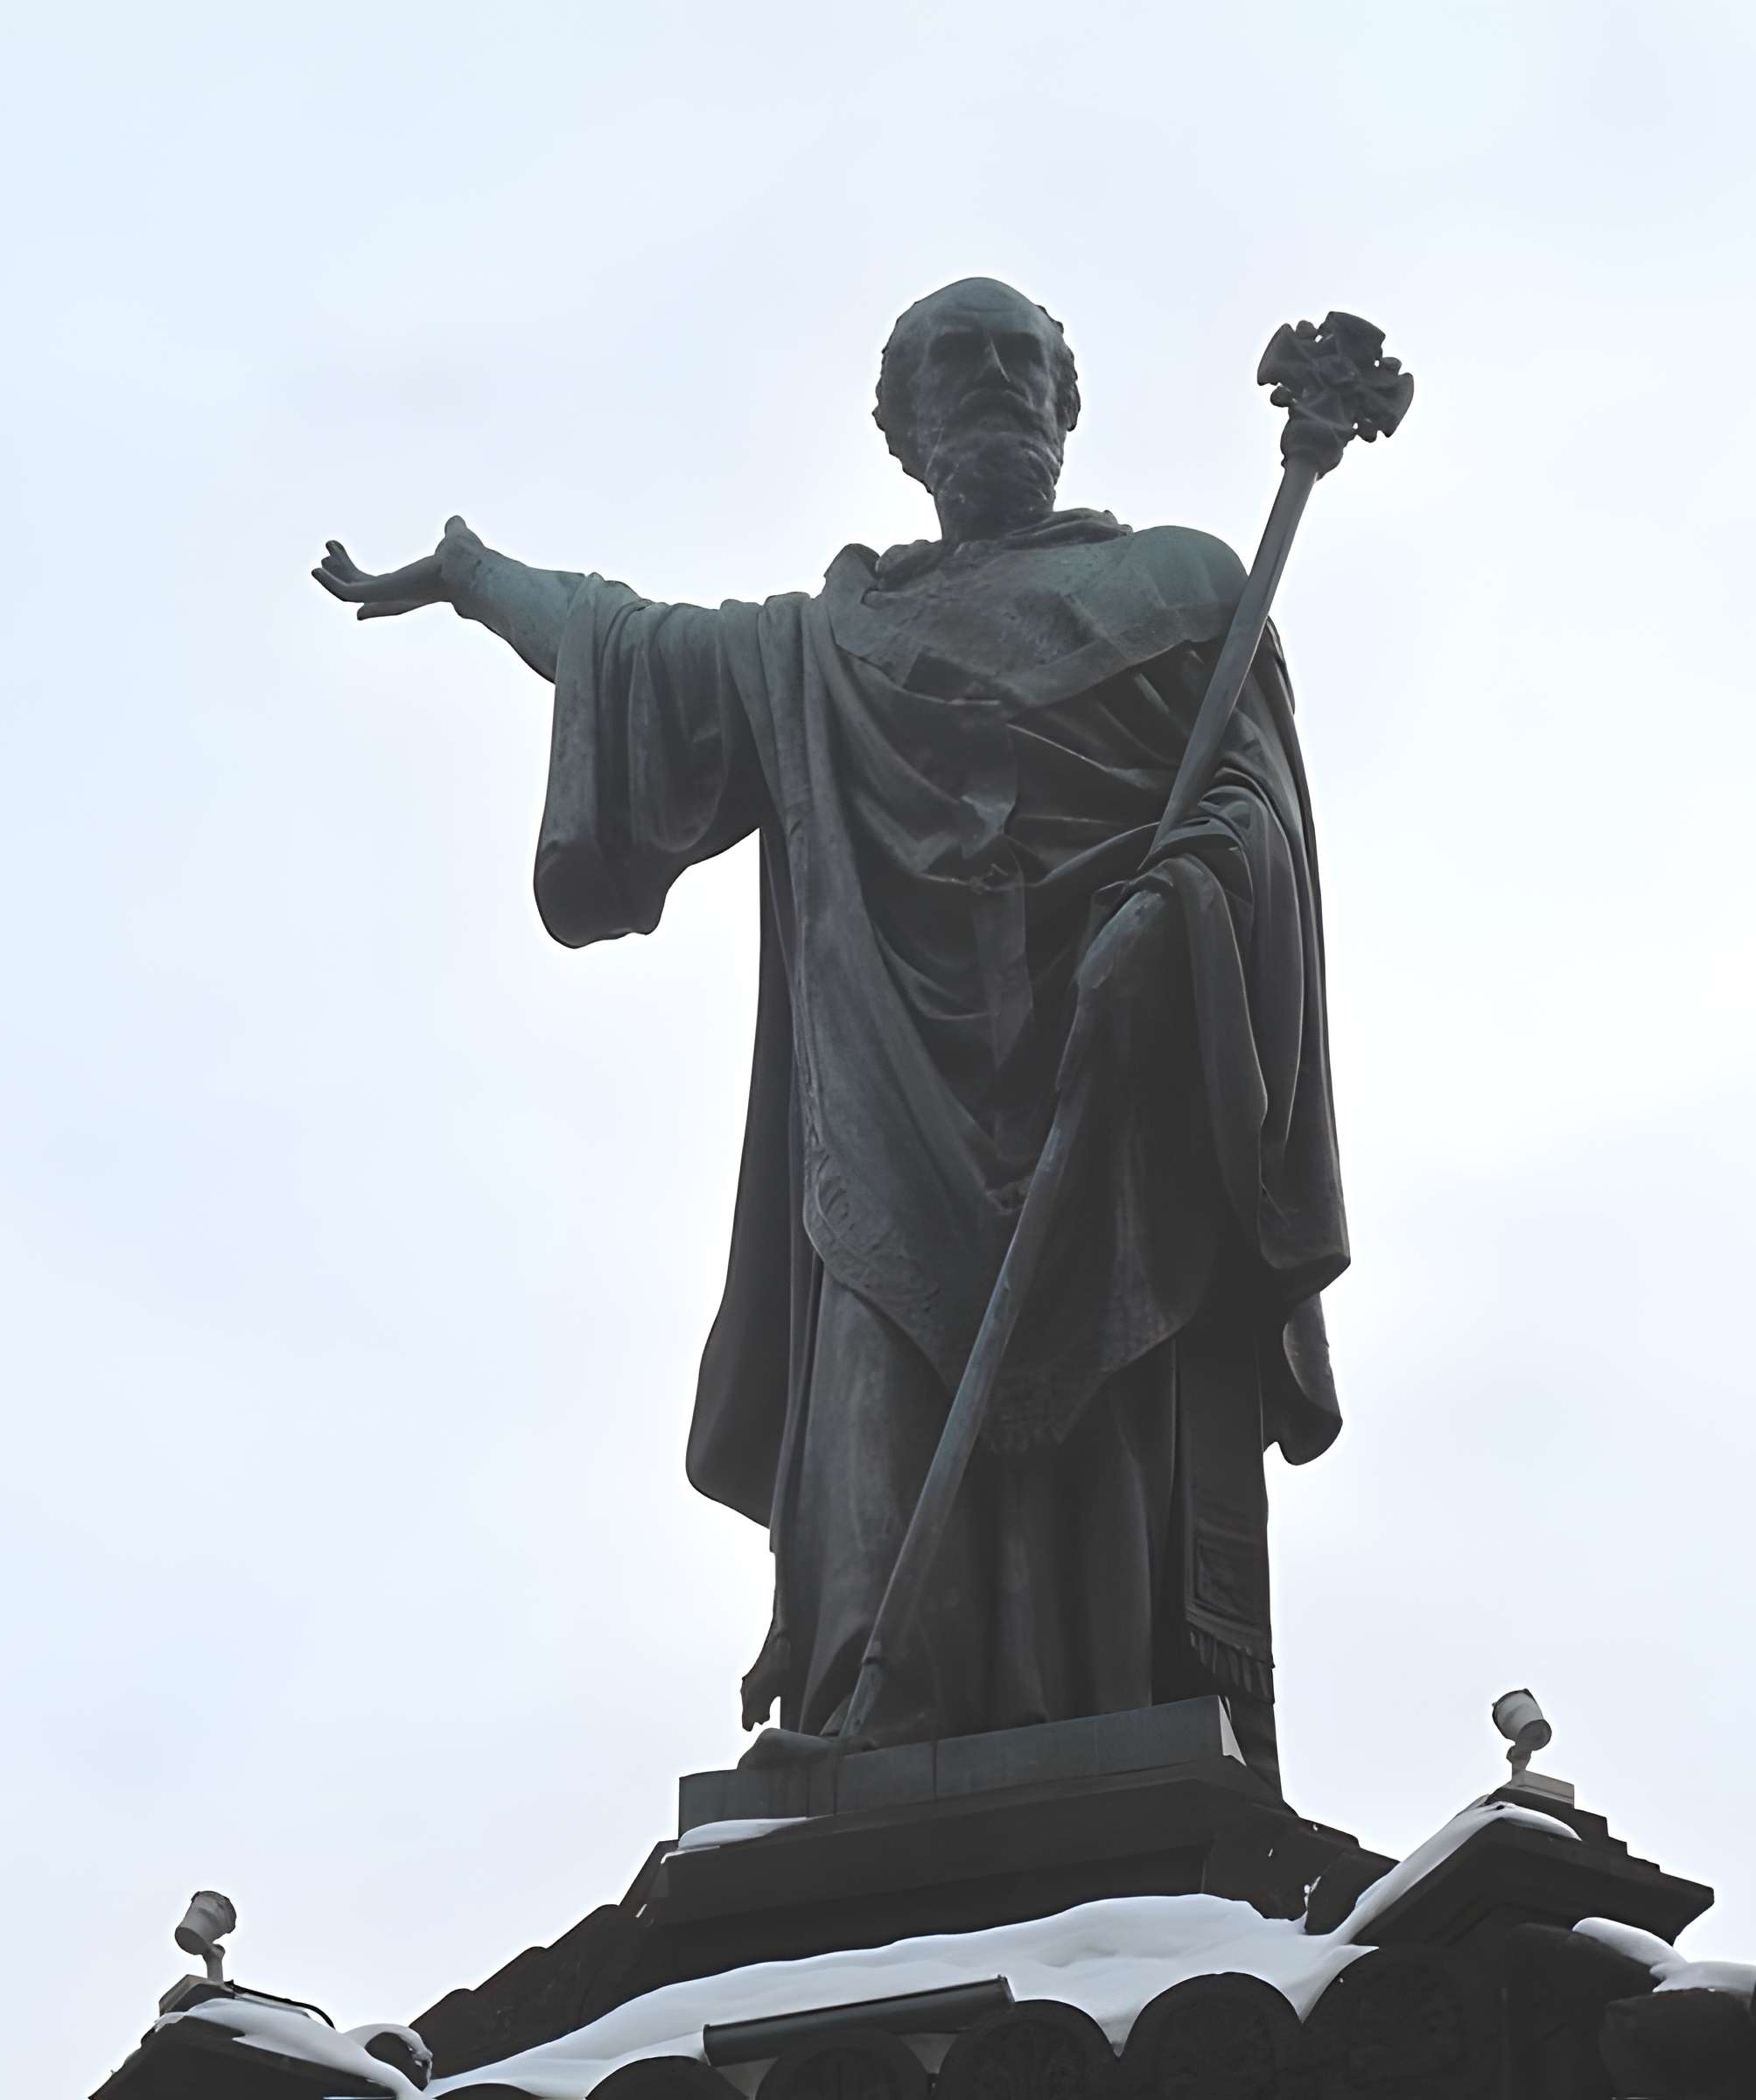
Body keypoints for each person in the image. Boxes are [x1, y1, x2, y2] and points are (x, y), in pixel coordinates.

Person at [313, 279, 1347, 1794]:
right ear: (900, 429)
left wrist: (1183, 902)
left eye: (1021, 362)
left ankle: (1107, 1746)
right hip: (886, 1116)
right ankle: (881, 1708)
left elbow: (1256, 808)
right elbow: (638, 650)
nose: (992, 385)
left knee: (1110, 1468)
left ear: (1068, 406)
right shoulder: (832, 644)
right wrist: (478, 577)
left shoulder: (1190, 589)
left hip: (1116, 1101)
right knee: (878, 1407)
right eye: (953, 365)